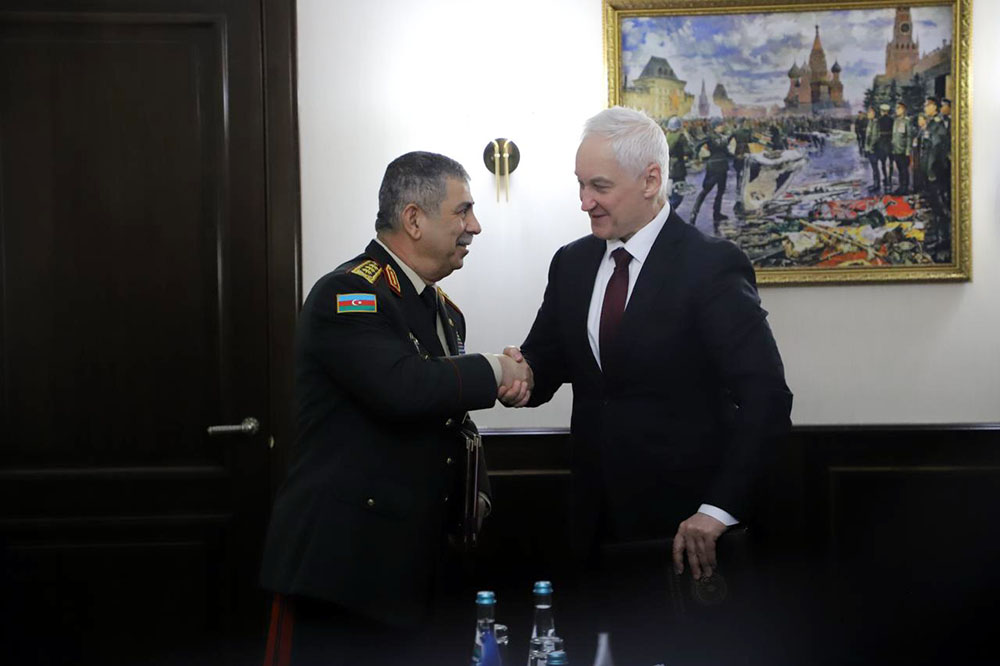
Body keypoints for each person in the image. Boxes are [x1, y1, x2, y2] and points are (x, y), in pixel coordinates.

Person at [501, 107, 793, 663]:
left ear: (651, 180)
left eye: (599, 186)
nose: (584, 201)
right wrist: (521, 373)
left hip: (683, 532)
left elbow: (767, 399)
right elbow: (549, 358)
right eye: (580, 185)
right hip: (593, 524)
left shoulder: (710, 266)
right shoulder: (571, 263)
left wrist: (717, 511)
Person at [259, 151, 532, 666]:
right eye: (463, 211)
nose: (475, 226)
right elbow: (402, 387)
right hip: (342, 572)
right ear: (413, 219)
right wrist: (496, 370)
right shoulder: (349, 294)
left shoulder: (444, 311)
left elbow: (443, 413)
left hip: (411, 570)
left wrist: (476, 492)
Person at [689, 118, 731, 231]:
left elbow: (726, 152)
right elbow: (697, 146)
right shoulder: (710, 137)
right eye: (720, 125)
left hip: (722, 167)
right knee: (705, 191)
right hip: (714, 167)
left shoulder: (723, 137)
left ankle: (716, 213)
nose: (722, 126)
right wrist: (696, 157)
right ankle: (693, 214)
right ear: (715, 126)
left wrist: (736, 156)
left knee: (720, 191)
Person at [664, 115, 691, 211]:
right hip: (678, 168)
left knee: (671, 193)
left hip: (668, 167)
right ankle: (668, 213)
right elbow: (688, 151)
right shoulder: (681, 137)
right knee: (679, 195)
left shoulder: (666, 137)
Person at [890, 102, 912, 195]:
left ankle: (905, 188)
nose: (896, 110)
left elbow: (909, 136)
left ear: (903, 109)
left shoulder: (907, 121)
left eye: (898, 108)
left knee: (904, 170)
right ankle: (900, 186)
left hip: (903, 150)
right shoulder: (896, 121)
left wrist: (908, 150)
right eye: (896, 108)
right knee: (899, 170)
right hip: (896, 150)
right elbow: (894, 135)